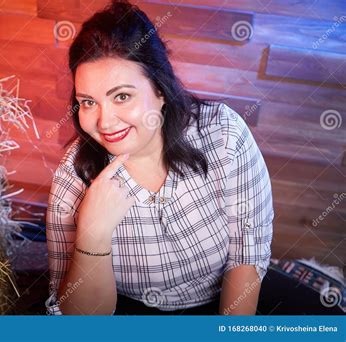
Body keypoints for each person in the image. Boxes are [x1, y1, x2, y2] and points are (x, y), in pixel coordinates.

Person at [45, 0, 274, 315]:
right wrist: (92, 234)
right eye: (88, 102)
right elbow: (79, 323)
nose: (105, 122)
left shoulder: (224, 134)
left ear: (160, 90)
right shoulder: (72, 179)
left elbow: (246, 256)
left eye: (122, 96)